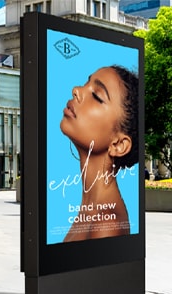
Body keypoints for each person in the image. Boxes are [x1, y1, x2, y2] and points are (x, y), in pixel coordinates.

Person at [60, 65, 139, 242]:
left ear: (118, 144)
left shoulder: (106, 222)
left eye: (96, 96)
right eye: (86, 83)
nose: (76, 90)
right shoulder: (91, 211)